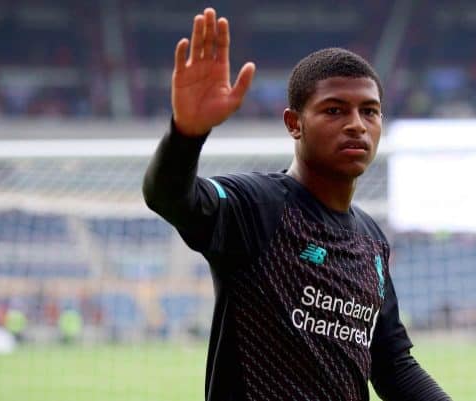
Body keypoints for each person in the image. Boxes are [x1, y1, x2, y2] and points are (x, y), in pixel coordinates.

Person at [143, 7, 451, 401]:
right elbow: (170, 197)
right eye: (334, 110)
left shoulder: (371, 240)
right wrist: (185, 134)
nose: (357, 123)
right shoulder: (258, 206)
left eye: (369, 111)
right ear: (294, 123)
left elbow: (392, 365)